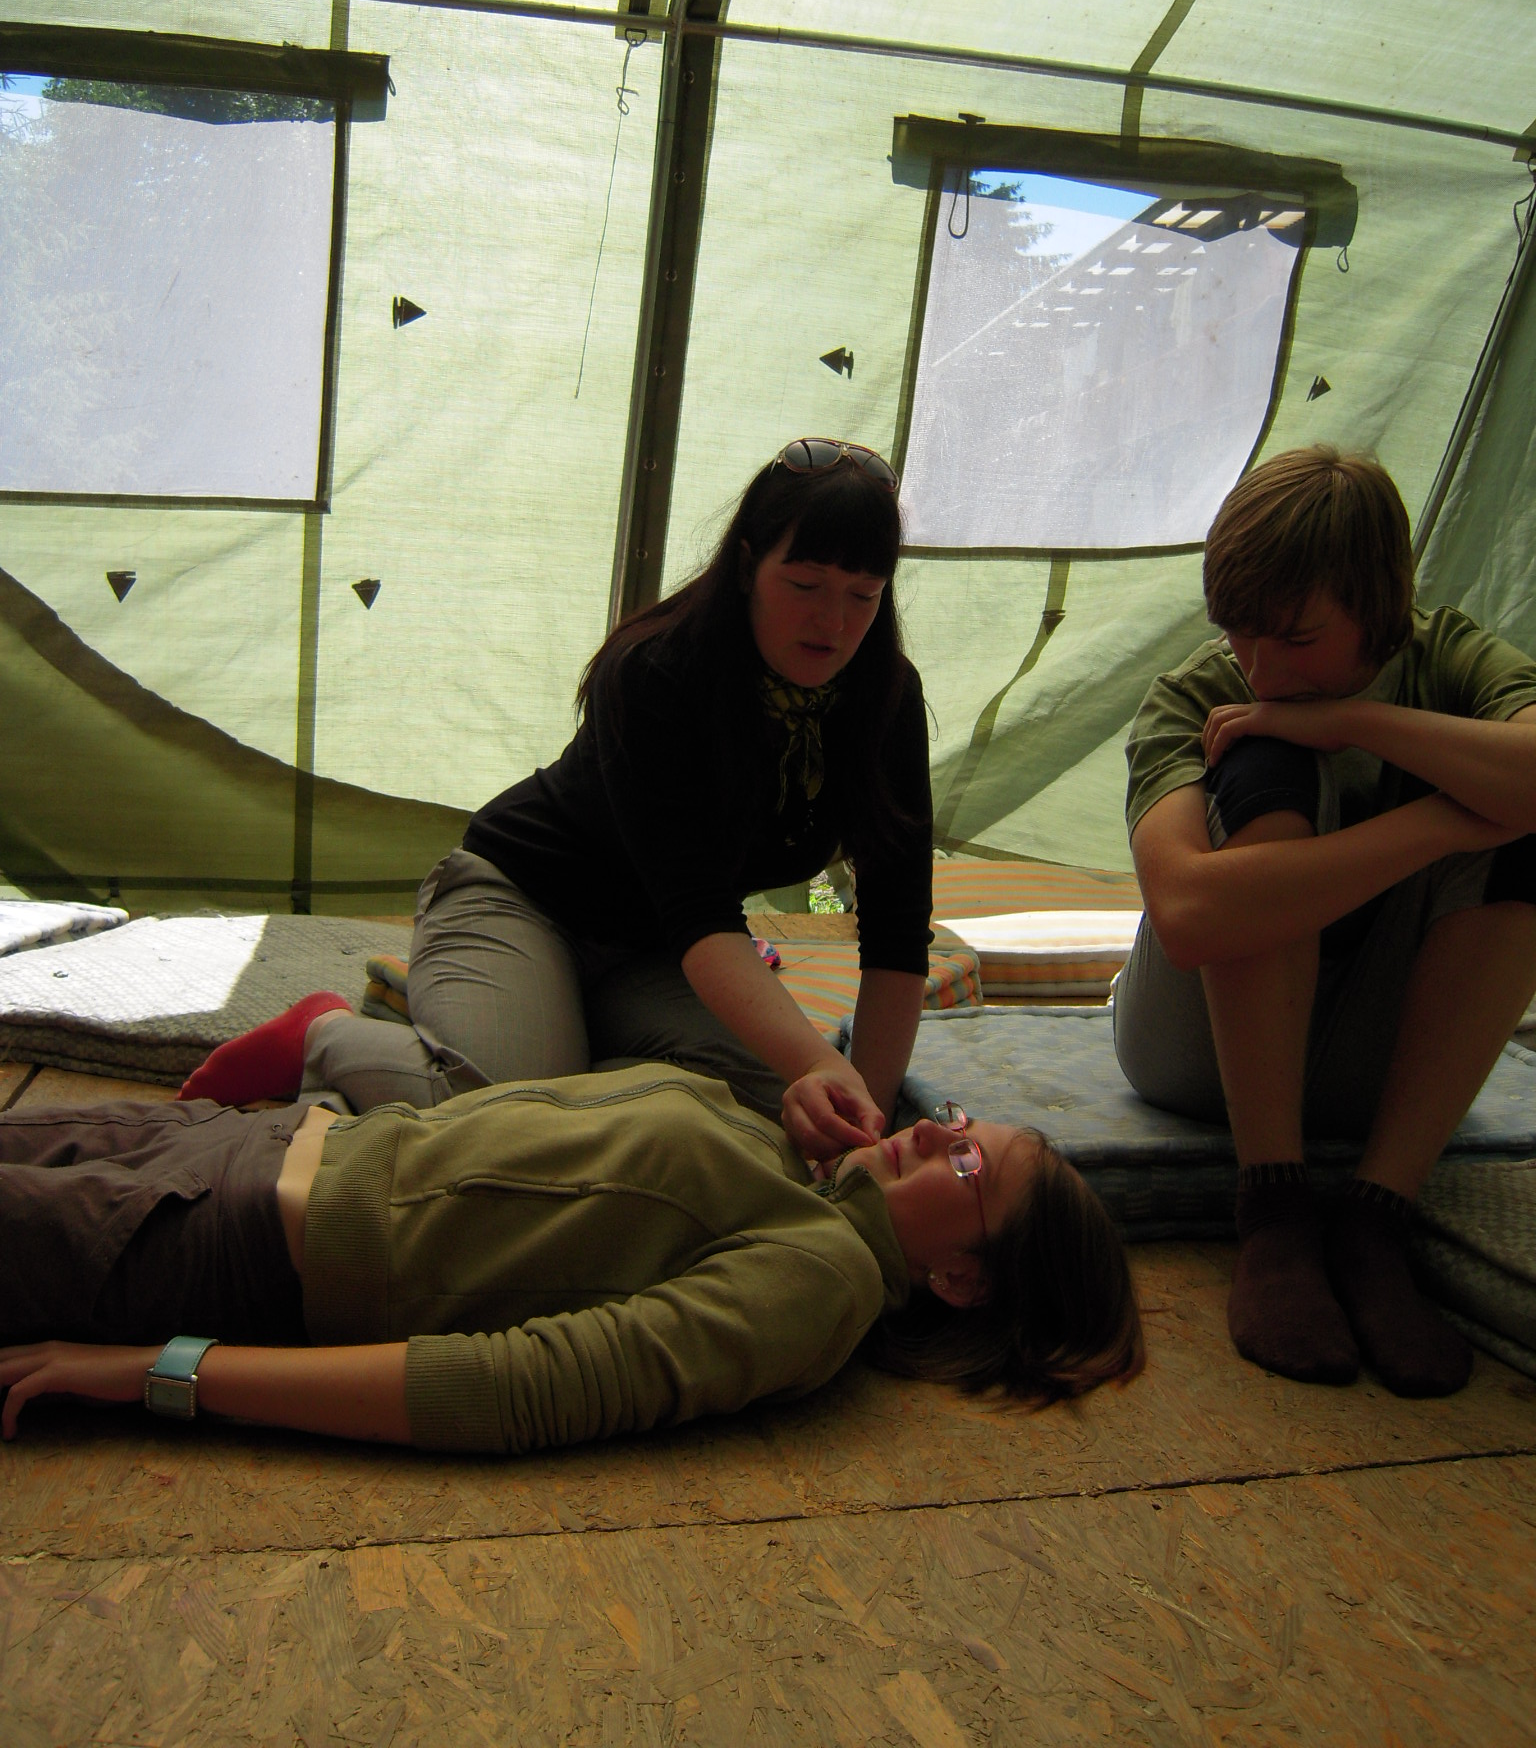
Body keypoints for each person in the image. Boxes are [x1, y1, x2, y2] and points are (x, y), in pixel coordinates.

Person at [180, 440, 932, 1166]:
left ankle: (553, 1046)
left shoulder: (886, 702)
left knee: (781, 1116)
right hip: (525, 900)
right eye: (804, 587)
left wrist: (864, 1117)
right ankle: (324, 1035)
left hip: (653, 955)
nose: (834, 624)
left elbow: (897, 932)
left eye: (862, 596)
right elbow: (702, 914)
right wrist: (817, 1065)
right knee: (509, 1117)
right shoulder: (657, 672)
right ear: (746, 566)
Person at [0, 1068, 1145, 1450]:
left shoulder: (823, 1282)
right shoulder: (801, 1181)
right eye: (960, 1120)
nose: (937, 1132)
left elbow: (517, 1385)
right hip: (245, 1138)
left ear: (963, 1279)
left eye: (966, 1165)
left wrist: (162, 1369)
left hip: (216, 1240)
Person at [1113, 445, 1536, 1397]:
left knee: (1528, 832)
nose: (1261, 671)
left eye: (1297, 640)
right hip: (1196, 1056)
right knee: (1261, 765)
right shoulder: (1200, 692)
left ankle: (1377, 1215)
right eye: (1239, 635)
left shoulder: (1447, 657)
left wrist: (1353, 723)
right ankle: (1274, 1212)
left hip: (1376, 1064)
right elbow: (1189, 916)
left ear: (1378, 609)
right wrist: (1445, 821)